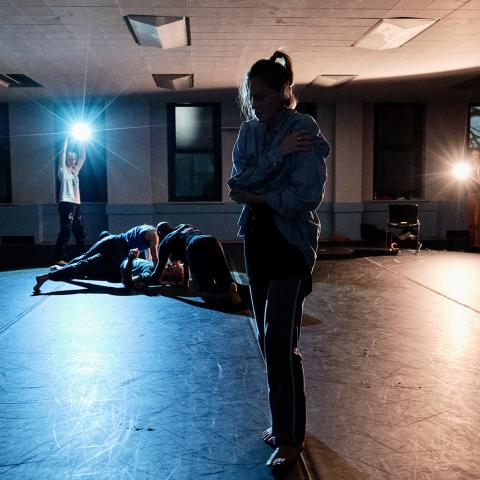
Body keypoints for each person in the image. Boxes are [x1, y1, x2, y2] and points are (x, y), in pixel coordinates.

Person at [227, 50, 330, 469]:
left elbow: (306, 196)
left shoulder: (303, 129)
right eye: (251, 96)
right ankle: (284, 424)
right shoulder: (250, 133)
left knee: (279, 343)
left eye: (263, 96)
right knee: (267, 343)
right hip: (257, 242)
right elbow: (236, 184)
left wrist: (259, 193)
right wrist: (274, 159)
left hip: (289, 246)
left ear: (284, 93)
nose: (255, 104)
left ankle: (290, 438)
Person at [34, 225, 160, 292]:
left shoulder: (146, 229)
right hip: (117, 250)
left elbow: (150, 255)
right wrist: (158, 272)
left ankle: (55, 271)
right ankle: (47, 276)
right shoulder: (155, 236)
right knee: (84, 265)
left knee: (84, 259)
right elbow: (155, 256)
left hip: (112, 240)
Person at [146, 222, 242, 307]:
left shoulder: (165, 241)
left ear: (159, 234)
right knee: (223, 275)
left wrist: (146, 282)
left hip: (195, 245)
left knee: (204, 289)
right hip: (212, 240)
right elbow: (185, 262)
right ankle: (233, 293)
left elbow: (158, 270)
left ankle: (219, 300)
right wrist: (185, 283)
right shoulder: (184, 226)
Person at [53, 136, 88, 263]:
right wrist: (66, 140)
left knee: (80, 232)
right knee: (66, 231)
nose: (73, 161)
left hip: (76, 204)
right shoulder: (63, 170)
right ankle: (58, 258)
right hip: (66, 203)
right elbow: (62, 154)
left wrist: (82, 141)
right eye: (70, 159)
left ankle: (86, 257)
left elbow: (83, 158)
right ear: (67, 160)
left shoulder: (75, 171)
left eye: (74, 159)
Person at [466, 150, 480, 248]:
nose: (474, 156)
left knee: (477, 221)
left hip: (479, 195)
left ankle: (477, 243)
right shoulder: (469, 167)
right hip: (470, 195)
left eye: (476, 154)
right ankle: (471, 244)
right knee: (470, 222)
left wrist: (472, 177)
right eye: (473, 154)